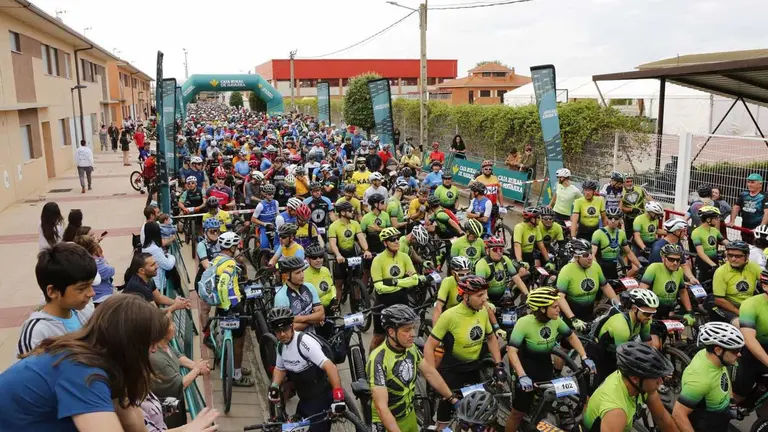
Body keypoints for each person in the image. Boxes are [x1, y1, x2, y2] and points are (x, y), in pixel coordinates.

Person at [0, 294, 220, 431]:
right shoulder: (82, 371)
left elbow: (135, 426)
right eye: (149, 343)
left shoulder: (101, 363)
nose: (154, 349)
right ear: (128, 343)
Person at [506, 287, 595, 432]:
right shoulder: (524, 323)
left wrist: (584, 357)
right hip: (526, 371)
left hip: (545, 367)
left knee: (544, 406)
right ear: (542, 309)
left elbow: (571, 336)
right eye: (554, 307)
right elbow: (511, 351)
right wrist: (522, 375)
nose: (558, 309)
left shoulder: (556, 320)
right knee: (517, 413)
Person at [424, 276, 505, 429]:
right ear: (465, 296)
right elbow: (429, 346)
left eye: (485, 294)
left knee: (476, 416)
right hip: (451, 373)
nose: (485, 299)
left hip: (473, 369)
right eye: (480, 295)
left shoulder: (482, 312)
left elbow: (491, 338)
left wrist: (499, 364)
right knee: (444, 422)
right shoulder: (449, 316)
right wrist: (432, 373)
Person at [368, 304, 459, 432]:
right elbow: (381, 407)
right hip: (387, 422)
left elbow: (429, 373)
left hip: (409, 415)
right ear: (391, 332)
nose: (413, 334)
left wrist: (452, 398)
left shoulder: (411, 348)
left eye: (413, 328)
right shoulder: (378, 359)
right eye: (406, 330)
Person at [267, 307, 346, 432]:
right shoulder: (281, 346)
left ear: (292, 326)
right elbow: (280, 369)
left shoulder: (304, 343)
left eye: (285, 329)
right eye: (278, 331)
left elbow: (330, 367)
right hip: (304, 397)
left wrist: (338, 397)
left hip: (321, 395)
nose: (282, 334)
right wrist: (275, 386)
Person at [16, 242, 96, 356]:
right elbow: (28, 371)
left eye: (91, 285)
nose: (91, 293)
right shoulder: (37, 332)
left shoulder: (85, 312)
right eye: (81, 288)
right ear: (53, 291)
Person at [583, 342, 676, 432]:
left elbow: (661, 418)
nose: (661, 382)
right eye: (656, 378)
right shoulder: (615, 411)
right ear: (635, 378)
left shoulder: (640, 383)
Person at [672, 322, 744, 432]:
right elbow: (678, 414)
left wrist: (731, 401)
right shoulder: (700, 379)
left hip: (721, 417)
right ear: (718, 350)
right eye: (735, 351)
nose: (739, 354)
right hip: (708, 424)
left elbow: (723, 376)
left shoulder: (713, 358)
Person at [210, 231, 254, 386]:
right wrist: (228, 306)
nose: (237, 248)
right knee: (239, 340)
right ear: (232, 246)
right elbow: (223, 284)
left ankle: (230, 363)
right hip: (233, 305)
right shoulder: (229, 264)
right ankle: (236, 374)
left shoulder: (216, 260)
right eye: (236, 245)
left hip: (220, 305)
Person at [150, 318, 211, 428]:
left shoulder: (164, 345)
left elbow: (177, 355)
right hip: (164, 409)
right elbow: (179, 384)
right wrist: (197, 370)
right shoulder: (157, 359)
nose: (174, 326)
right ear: (163, 332)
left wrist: (194, 365)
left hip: (173, 404)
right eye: (171, 325)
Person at [370, 227, 424, 351]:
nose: (396, 242)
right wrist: (405, 282)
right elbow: (379, 287)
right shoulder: (378, 260)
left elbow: (415, 280)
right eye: (392, 239)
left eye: (397, 239)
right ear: (385, 243)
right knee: (378, 337)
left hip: (402, 301)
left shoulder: (404, 257)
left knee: (404, 335)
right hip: (383, 303)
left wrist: (394, 282)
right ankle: (371, 363)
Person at [592, 289, 658, 386]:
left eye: (653, 314)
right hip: (601, 351)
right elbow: (625, 357)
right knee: (602, 385)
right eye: (647, 313)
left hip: (618, 349)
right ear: (635, 309)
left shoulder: (645, 320)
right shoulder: (621, 326)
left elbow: (648, 344)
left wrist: (655, 362)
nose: (650, 318)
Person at [557, 238, 618, 331]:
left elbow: (605, 286)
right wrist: (572, 318)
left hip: (589, 311)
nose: (590, 257)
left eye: (590, 253)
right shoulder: (566, 271)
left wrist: (617, 303)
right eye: (585, 255)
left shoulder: (595, 266)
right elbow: (560, 297)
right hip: (571, 313)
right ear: (577, 257)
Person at [639, 243, 695, 324]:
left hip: (669, 308)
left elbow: (683, 291)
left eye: (678, 260)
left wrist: (690, 312)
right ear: (663, 258)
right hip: (653, 309)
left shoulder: (679, 270)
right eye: (671, 259)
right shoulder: (654, 267)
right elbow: (642, 290)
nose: (675, 263)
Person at [711, 240, 761, 325]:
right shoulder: (720, 272)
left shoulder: (753, 267)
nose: (733, 259)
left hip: (748, 306)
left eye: (738, 256)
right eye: (730, 255)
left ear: (747, 256)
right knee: (742, 325)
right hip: (729, 307)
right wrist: (740, 313)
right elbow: (719, 300)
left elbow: (765, 280)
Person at [122, 252, 190, 314]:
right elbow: (156, 313)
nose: (157, 266)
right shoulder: (140, 287)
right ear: (141, 271)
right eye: (152, 265)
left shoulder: (148, 279)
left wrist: (177, 302)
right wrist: (175, 306)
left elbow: (159, 297)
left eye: (155, 263)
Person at [328, 200, 372, 297]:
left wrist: (366, 250)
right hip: (340, 255)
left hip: (352, 253)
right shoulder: (333, 226)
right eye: (350, 210)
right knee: (339, 284)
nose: (353, 212)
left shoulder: (355, 224)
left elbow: (361, 238)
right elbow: (333, 244)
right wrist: (338, 255)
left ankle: (358, 303)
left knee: (357, 280)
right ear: (342, 213)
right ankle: (337, 306)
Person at [273, 256, 325, 333]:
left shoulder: (309, 287)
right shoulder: (281, 297)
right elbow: (287, 329)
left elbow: (321, 315)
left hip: (313, 336)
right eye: (297, 273)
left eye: (302, 271)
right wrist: (313, 320)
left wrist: (299, 319)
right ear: (286, 276)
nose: (302, 275)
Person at [474, 235, 529, 306]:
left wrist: (528, 295)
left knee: (527, 276)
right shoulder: (482, 264)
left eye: (501, 249)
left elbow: (517, 279)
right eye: (495, 249)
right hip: (487, 299)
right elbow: (480, 289)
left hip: (502, 297)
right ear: (487, 251)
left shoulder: (505, 259)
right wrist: (488, 304)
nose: (499, 252)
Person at [592, 207, 642, 279]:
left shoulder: (621, 233)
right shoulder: (598, 233)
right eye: (610, 218)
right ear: (607, 219)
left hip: (613, 268)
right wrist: (597, 271)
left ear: (620, 219)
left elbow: (628, 252)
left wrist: (640, 266)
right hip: (600, 267)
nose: (613, 221)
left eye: (616, 218)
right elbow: (592, 254)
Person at [73, 235, 115, 306]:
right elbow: (109, 271)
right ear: (92, 248)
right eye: (91, 236)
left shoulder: (78, 260)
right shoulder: (93, 262)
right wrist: (103, 261)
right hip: (101, 296)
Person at [691, 206, 729, 282]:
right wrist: (713, 264)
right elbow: (700, 252)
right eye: (716, 218)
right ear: (708, 219)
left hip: (714, 260)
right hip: (703, 262)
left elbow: (725, 242)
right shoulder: (696, 232)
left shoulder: (715, 231)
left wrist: (734, 247)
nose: (718, 220)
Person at [729, 173, 768, 245]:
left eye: (753, 182)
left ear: (760, 184)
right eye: (748, 182)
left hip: (758, 232)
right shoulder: (743, 194)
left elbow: (767, 213)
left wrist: (760, 228)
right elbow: (736, 207)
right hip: (745, 228)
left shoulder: (764, 196)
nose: (750, 184)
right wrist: (731, 221)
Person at [433, 256, 472, 324]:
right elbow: (438, 306)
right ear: (453, 273)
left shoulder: (473, 280)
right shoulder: (447, 281)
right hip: (450, 315)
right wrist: (435, 332)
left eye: (468, 274)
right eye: (461, 274)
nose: (465, 277)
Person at [142, 222, 177, 294]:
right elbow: (168, 265)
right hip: (158, 285)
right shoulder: (154, 249)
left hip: (154, 283)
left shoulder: (146, 246)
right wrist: (171, 256)